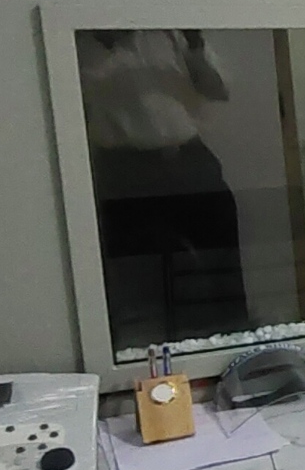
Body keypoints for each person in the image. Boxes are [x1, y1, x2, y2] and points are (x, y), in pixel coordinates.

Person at [77, 29, 249, 348]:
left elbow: (219, 89)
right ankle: (150, 358)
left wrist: (194, 42)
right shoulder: (76, 44)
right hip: (122, 170)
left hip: (188, 159)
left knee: (219, 264)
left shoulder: (166, 34)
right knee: (137, 276)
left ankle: (233, 345)